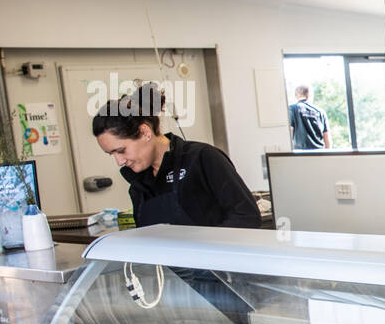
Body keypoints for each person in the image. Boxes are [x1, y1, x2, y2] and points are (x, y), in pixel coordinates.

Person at [92, 83, 261, 228]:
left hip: (216, 265)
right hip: (167, 267)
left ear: (144, 132)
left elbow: (247, 216)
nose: (119, 161)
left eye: (121, 150)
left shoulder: (202, 158)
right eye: (111, 154)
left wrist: (204, 252)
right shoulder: (140, 182)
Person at [289, 85, 330, 150]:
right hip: (319, 152)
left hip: (301, 154)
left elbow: (289, 133)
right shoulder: (320, 112)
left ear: (296, 96)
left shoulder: (292, 109)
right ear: (309, 95)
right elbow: (327, 138)